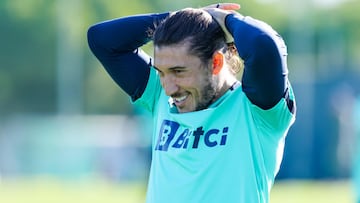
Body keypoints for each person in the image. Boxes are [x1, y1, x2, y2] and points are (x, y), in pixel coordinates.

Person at [87, 3, 296, 203]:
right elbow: (102, 40)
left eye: (179, 72)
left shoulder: (256, 111)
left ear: (215, 63)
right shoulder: (160, 96)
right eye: (161, 73)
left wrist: (226, 19)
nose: (169, 88)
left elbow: (263, 44)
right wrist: (184, 18)